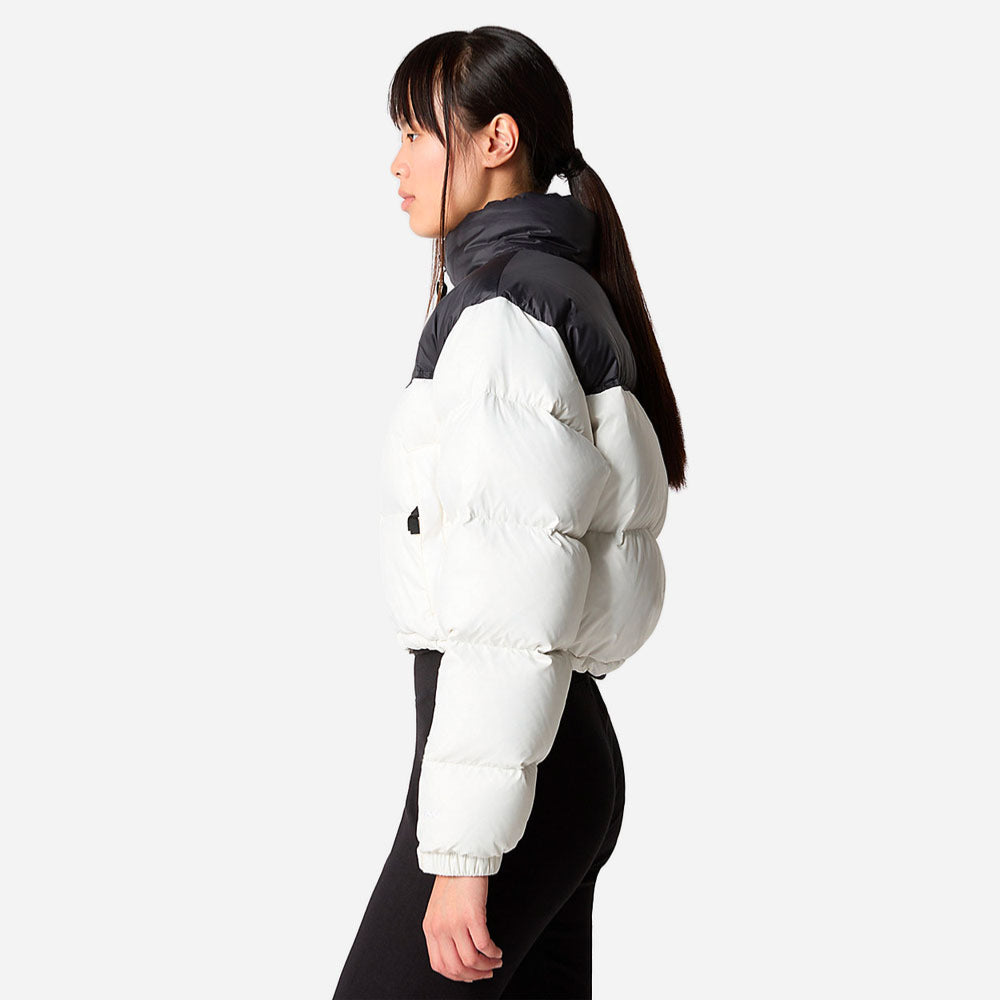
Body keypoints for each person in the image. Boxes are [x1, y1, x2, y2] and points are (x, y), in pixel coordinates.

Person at [333, 25, 687, 999]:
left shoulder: (501, 317)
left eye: (417, 132)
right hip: (546, 755)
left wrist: (463, 856)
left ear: (497, 139)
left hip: (512, 775)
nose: (396, 161)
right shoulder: (548, 292)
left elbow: (511, 593)